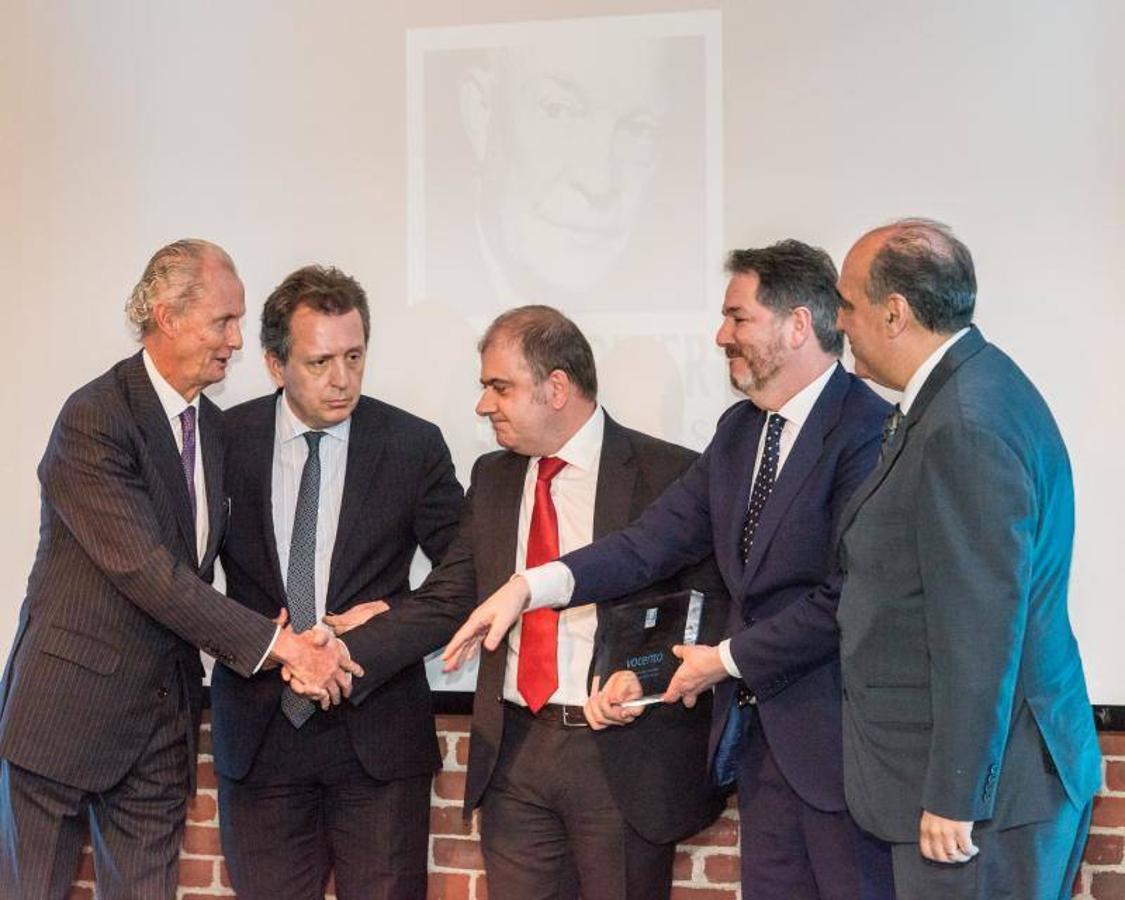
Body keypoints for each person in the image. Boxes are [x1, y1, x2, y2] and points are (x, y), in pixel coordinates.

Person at [444, 242, 895, 899]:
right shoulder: (740, 431)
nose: (721, 336)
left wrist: (722, 660)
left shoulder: (871, 430)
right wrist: (530, 586)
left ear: (797, 324)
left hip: (842, 749)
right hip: (762, 751)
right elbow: (647, 544)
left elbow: (846, 596)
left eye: (737, 318)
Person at [0, 240, 359, 899]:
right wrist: (282, 647)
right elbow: (147, 572)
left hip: (160, 725)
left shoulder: (213, 429)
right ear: (167, 316)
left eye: (237, 322)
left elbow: (220, 566)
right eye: (223, 321)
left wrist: (329, 623)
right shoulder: (96, 417)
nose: (236, 341)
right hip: (63, 719)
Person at [335, 305, 725, 899]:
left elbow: (706, 606)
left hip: (621, 756)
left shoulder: (668, 473)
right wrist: (341, 650)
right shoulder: (494, 477)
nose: (483, 405)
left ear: (556, 388)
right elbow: (451, 597)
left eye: (500, 387)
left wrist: (644, 679)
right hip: (515, 753)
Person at [832, 219, 1101, 897]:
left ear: (893, 312)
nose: (839, 323)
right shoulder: (970, 388)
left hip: (987, 799)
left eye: (847, 305)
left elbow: (979, 627)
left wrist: (956, 792)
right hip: (995, 782)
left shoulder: (965, 423)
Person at [209, 265, 463, 900]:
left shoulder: (412, 445)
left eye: (354, 356)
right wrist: (253, 639)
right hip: (260, 733)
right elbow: (178, 576)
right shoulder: (222, 441)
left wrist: (383, 624)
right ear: (275, 364)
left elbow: (465, 578)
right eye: (320, 362)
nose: (342, 379)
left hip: (377, 734)